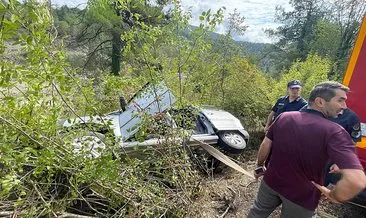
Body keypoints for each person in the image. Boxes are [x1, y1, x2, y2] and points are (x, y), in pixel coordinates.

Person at [248, 81, 366, 218]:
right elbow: (356, 181)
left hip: (270, 183)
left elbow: (265, 145)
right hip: (302, 196)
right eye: (340, 100)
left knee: (256, 213)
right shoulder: (335, 132)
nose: (344, 106)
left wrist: (259, 166)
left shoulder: (284, 117)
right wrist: (335, 195)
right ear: (320, 101)